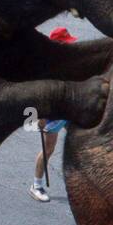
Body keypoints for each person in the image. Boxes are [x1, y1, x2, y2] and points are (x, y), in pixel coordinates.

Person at [29, 28, 80, 201]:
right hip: (51, 114)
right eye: (67, 43)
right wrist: (40, 117)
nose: (70, 45)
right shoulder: (46, 66)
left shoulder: (66, 60)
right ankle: (36, 185)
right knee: (48, 149)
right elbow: (37, 93)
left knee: (80, 141)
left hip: (67, 109)